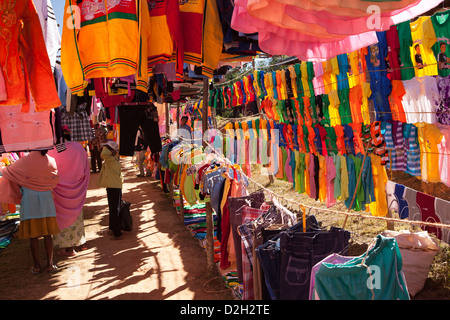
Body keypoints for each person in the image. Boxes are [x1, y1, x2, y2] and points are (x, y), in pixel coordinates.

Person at [0, 150, 60, 274]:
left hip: (29, 200)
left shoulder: (25, 161)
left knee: (33, 236)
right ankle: (50, 264)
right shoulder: (51, 161)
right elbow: (55, 179)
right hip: (46, 200)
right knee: (48, 234)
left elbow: (7, 171)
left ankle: (37, 266)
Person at [48, 139, 90, 257]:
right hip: (77, 189)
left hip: (59, 191)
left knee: (62, 218)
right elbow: (86, 167)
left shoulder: (52, 150)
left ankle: (68, 249)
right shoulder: (78, 147)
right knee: (77, 217)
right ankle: (82, 243)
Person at [97, 140, 124, 240]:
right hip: (114, 186)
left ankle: (117, 233)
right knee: (113, 208)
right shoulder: (112, 159)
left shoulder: (110, 159)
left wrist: (109, 149)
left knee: (114, 209)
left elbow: (103, 153)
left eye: (108, 147)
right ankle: (112, 228)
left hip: (114, 187)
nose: (105, 149)